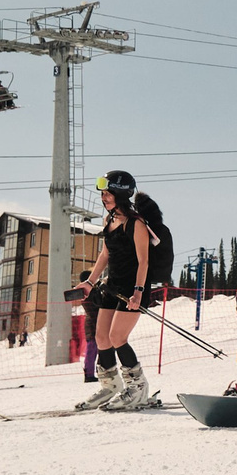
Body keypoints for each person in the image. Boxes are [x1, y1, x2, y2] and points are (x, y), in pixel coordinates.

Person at [74, 170, 157, 411]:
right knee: (102, 338)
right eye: (103, 193)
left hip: (133, 288)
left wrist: (139, 292)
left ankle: (138, 388)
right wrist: (89, 282)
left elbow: (144, 261)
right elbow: (105, 254)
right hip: (113, 285)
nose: (103, 197)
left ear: (121, 194)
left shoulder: (137, 223)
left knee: (117, 337)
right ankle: (111, 387)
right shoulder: (109, 220)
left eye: (108, 193)